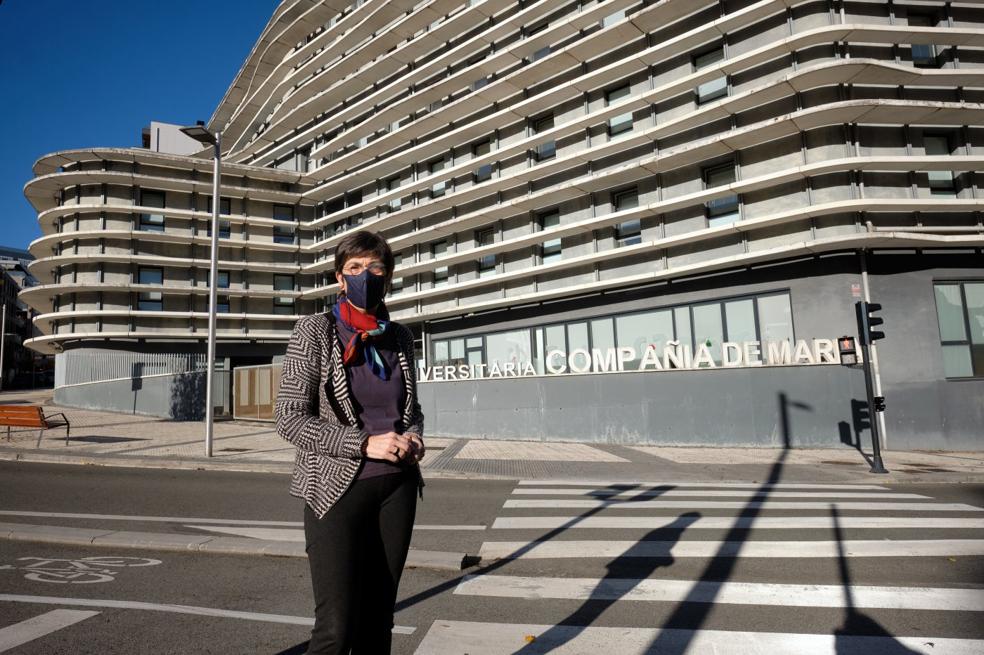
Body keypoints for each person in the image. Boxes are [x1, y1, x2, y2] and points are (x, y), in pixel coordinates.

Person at [274, 229, 425, 654]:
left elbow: (410, 409)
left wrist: (413, 437)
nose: (365, 275)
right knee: (336, 630)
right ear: (341, 279)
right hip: (334, 489)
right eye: (354, 268)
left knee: (379, 623)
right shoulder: (314, 331)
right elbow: (288, 419)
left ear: (388, 277)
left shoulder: (399, 338)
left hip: (397, 488)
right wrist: (363, 443)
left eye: (374, 267)